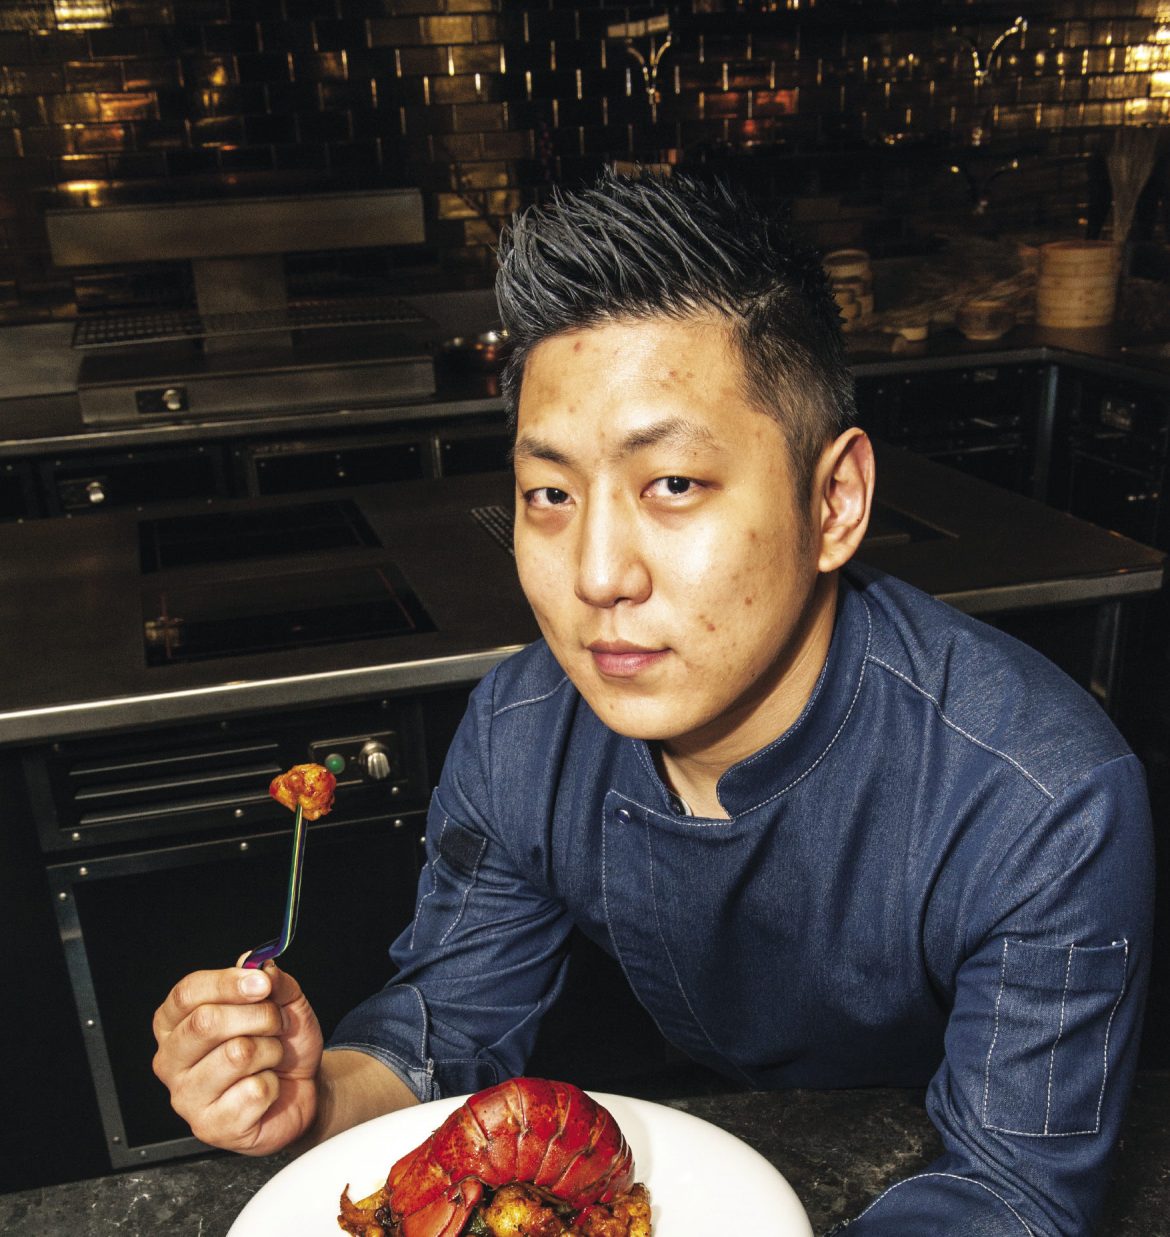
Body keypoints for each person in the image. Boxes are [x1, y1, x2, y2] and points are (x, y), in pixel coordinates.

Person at [152, 172, 1153, 1234]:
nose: (597, 575)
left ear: (834, 501)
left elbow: (1010, 1189)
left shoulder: (1044, 799)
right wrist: (310, 1097)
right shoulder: (522, 729)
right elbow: (447, 1026)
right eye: (550, 493)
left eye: (672, 484)